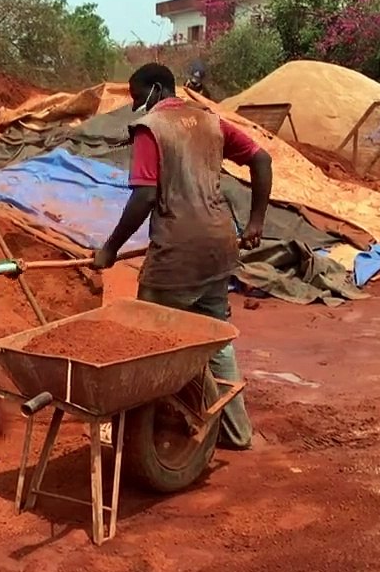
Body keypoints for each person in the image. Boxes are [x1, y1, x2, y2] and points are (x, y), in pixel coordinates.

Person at [92, 63, 272, 450]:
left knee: (147, 340)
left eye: (139, 97)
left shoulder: (151, 129)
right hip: (219, 246)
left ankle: (133, 432)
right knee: (215, 336)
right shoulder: (210, 122)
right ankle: (236, 432)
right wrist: (255, 222)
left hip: (178, 250)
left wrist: (110, 249)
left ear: (156, 89)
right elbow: (262, 159)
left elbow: (143, 196)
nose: (138, 106)